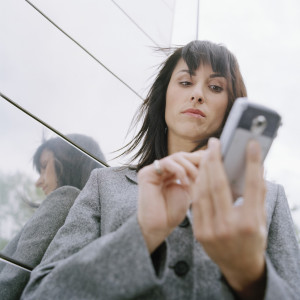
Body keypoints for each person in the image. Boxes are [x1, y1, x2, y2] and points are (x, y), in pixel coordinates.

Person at [21, 41, 300, 300]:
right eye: (185, 82)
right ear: (163, 95)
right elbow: (39, 293)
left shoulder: (271, 198)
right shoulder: (104, 184)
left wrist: (251, 275)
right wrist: (142, 234)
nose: (198, 94)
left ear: (230, 106)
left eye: (215, 87)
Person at [0, 133, 106, 300]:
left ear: (70, 163)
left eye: (44, 166)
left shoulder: (65, 197)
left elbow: (10, 280)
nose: (38, 182)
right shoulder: (97, 220)